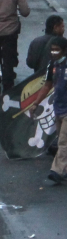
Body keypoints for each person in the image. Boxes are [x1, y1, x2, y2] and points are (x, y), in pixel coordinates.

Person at [46, 38, 67, 185]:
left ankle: (57, 171)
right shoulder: (53, 65)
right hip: (58, 109)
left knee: (63, 142)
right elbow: (47, 85)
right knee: (62, 140)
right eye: (52, 49)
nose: (54, 53)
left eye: (57, 50)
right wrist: (34, 104)